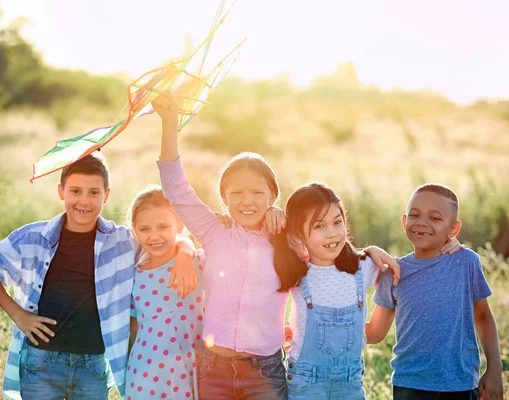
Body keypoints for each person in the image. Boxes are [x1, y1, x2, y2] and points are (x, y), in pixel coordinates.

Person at [152, 93, 398, 399]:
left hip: (264, 372)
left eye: (257, 192)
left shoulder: (290, 241)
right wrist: (169, 125)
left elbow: (327, 246)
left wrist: (371, 252)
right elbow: (176, 189)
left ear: (272, 196)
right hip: (213, 368)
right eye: (237, 193)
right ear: (224, 196)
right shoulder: (214, 232)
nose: (247, 201)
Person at [0, 152, 197, 400]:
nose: (84, 201)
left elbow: (164, 240)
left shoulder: (122, 241)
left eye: (94, 193)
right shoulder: (34, 237)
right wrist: (18, 314)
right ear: (61, 192)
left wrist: (186, 251)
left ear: (106, 195)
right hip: (42, 362)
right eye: (75, 191)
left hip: (93, 365)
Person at [366, 183, 503, 400]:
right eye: (414, 215)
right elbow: (374, 332)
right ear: (404, 222)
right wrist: (321, 329)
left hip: (461, 384)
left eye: (435, 218)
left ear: (453, 229)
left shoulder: (466, 263)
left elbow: (484, 317)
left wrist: (495, 369)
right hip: (409, 385)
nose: (422, 222)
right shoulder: (393, 272)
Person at [270, 182, 402, 399]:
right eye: (319, 226)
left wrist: (371, 250)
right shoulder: (296, 271)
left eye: (337, 222)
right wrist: (272, 213)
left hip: (350, 385)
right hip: (306, 386)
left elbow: (399, 274)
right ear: (298, 234)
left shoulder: (363, 267)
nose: (332, 233)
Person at [125, 185, 205, 400]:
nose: (154, 236)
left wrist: (185, 251)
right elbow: (133, 328)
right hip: (146, 371)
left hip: (191, 366)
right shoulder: (134, 275)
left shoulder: (195, 262)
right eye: (144, 229)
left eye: (163, 226)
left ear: (178, 223)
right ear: (134, 229)